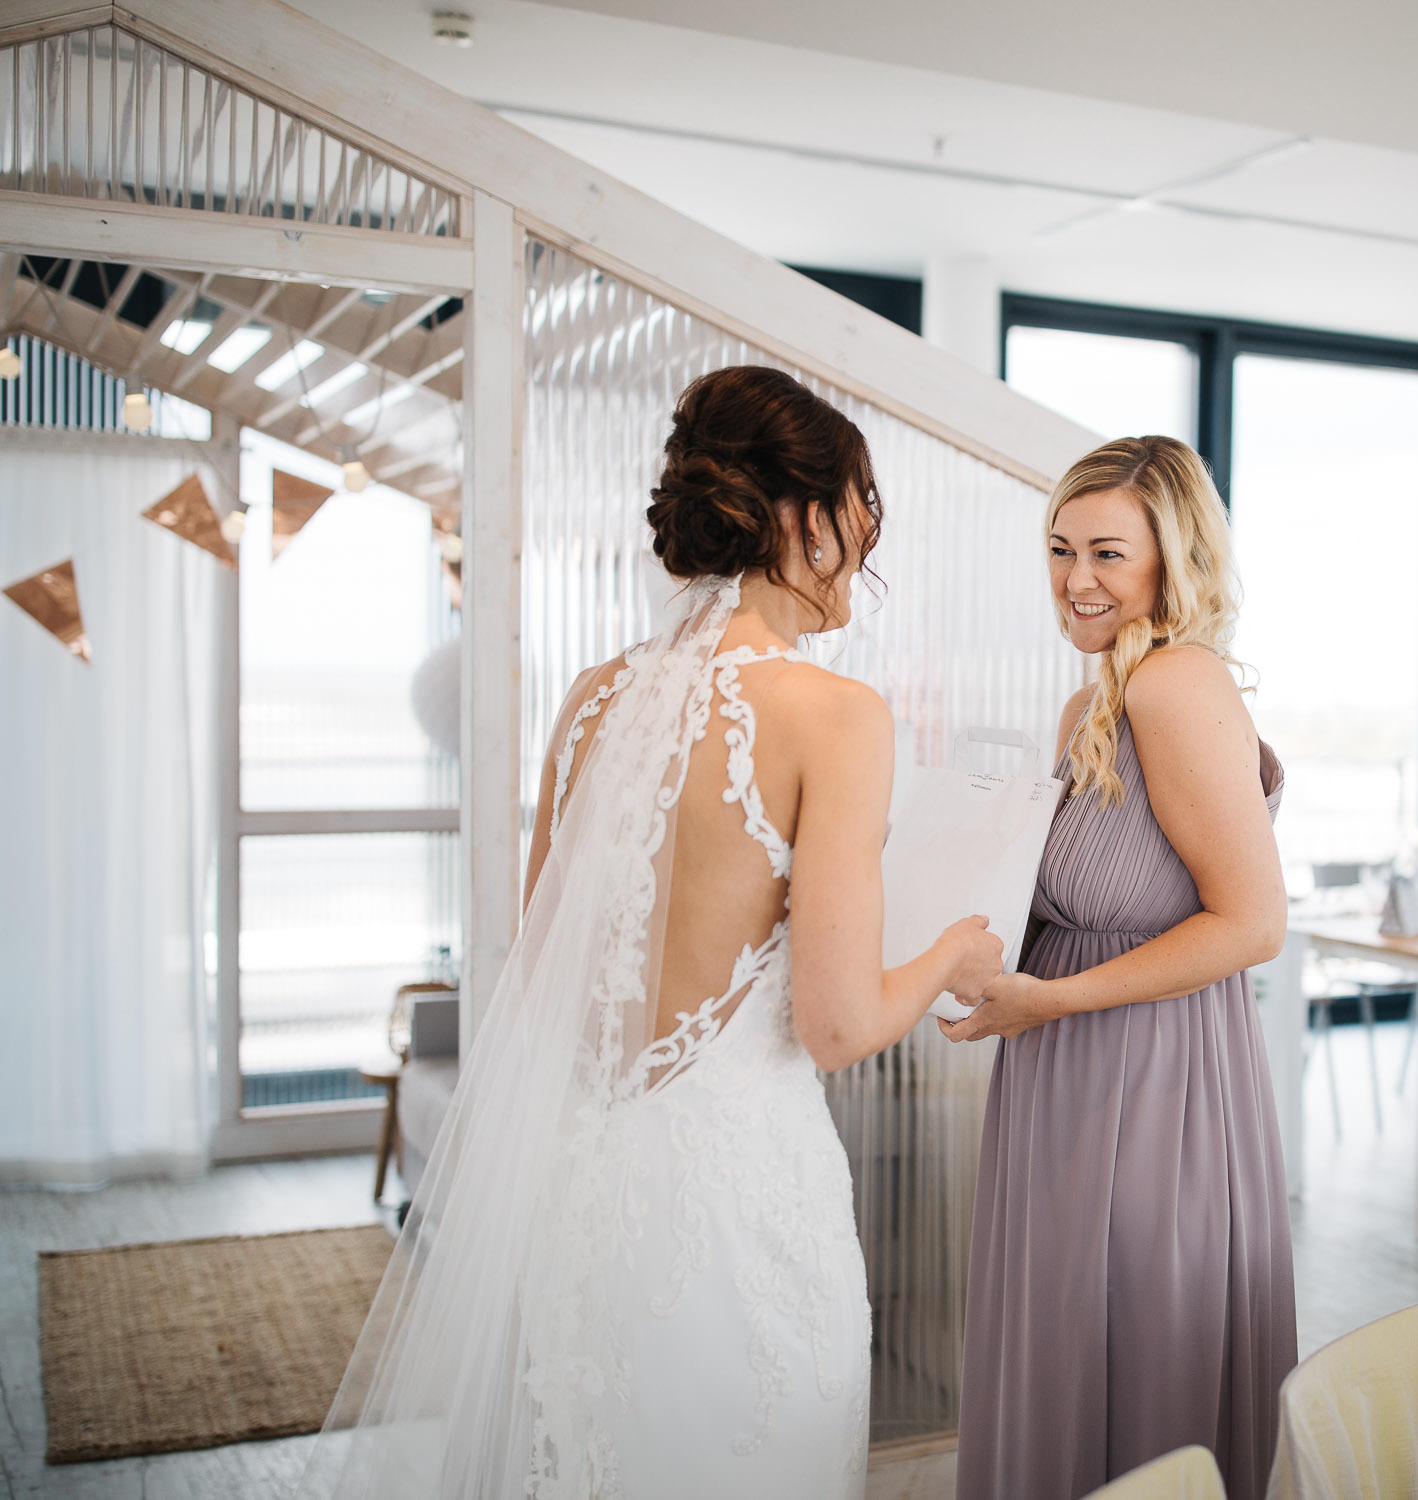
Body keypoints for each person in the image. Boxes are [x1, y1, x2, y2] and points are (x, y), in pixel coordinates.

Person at [295, 365, 1002, 1500]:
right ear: (801, 517)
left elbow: (542, 970)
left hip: (582, 1197)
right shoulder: (836, 716)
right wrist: (956, 952)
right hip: (736, 1207)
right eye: (859, 507)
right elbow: (838, 1025)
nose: (868, 542)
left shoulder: (592, 699)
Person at [945, 435, 1296, 1499]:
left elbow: (1253, 923)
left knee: (1135, 1353)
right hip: (1065, 1070)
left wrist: (1052, 999)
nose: (1076, 580)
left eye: (1107, 553)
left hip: (1149, 1079)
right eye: (1061, 549)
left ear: (1171, 560)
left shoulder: (1174, 684)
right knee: (1071, 1351)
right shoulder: (1093, 703)